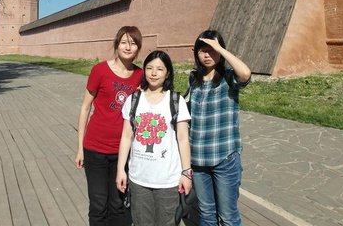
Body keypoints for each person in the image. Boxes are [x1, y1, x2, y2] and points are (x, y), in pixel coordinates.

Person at [75, 26, 144, 226]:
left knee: (118, 204)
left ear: (138, 48)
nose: (128, 47)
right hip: (94, 148)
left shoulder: (140, 75)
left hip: (123, 151)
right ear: (116, 44)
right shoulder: (100, 70)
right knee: (98, 205)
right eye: (124, 42)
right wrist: (80, 148)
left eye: (133, 43)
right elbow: (85, 108)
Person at [116, 50, 192, 226]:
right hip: (138, 179)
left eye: (159, 69)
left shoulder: (176, 100)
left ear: (167, 74)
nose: (153, 73)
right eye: (149, 68)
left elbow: (182, 139)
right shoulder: (133, 100)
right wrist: (121, 170)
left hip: (168, 181)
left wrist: (186, 174)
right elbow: (126, 137)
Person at [187, 30, 251, 226]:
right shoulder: (194, 79)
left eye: (212, 50)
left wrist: (221, 49)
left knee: (228, 216)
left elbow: (246, 73)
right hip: (198, 160)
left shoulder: (229, 78)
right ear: (196, 53)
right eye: (203, 50)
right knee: (206, 213)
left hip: (224, 158)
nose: (207, 55)